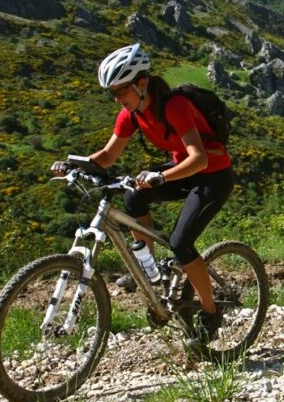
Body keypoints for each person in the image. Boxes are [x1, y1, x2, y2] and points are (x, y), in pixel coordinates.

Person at [51, 43, 234, 343]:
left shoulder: (175, 106)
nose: (117, 98)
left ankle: (211, 312)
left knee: (181, 243)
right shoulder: (131, 114)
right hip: (181, 169)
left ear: (142, 83)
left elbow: (198, 158)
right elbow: (107, 156)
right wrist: (71, 162)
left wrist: (160, 177)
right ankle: (149, 272)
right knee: (133, 196)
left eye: (121, 90)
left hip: (213, 175)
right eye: (113, 93)